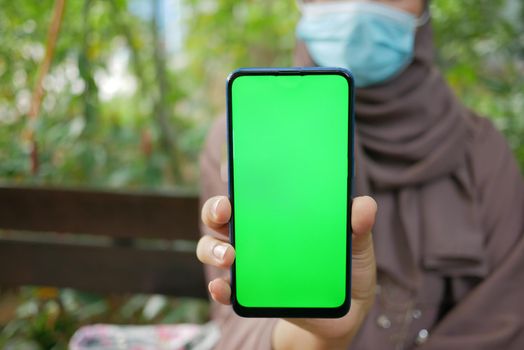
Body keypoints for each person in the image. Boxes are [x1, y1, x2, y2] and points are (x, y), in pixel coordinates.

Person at [197, 0, 524, 349]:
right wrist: (321, 335)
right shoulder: (242, 136)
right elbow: (243, 333)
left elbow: (506, 315)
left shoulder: (481, 150)